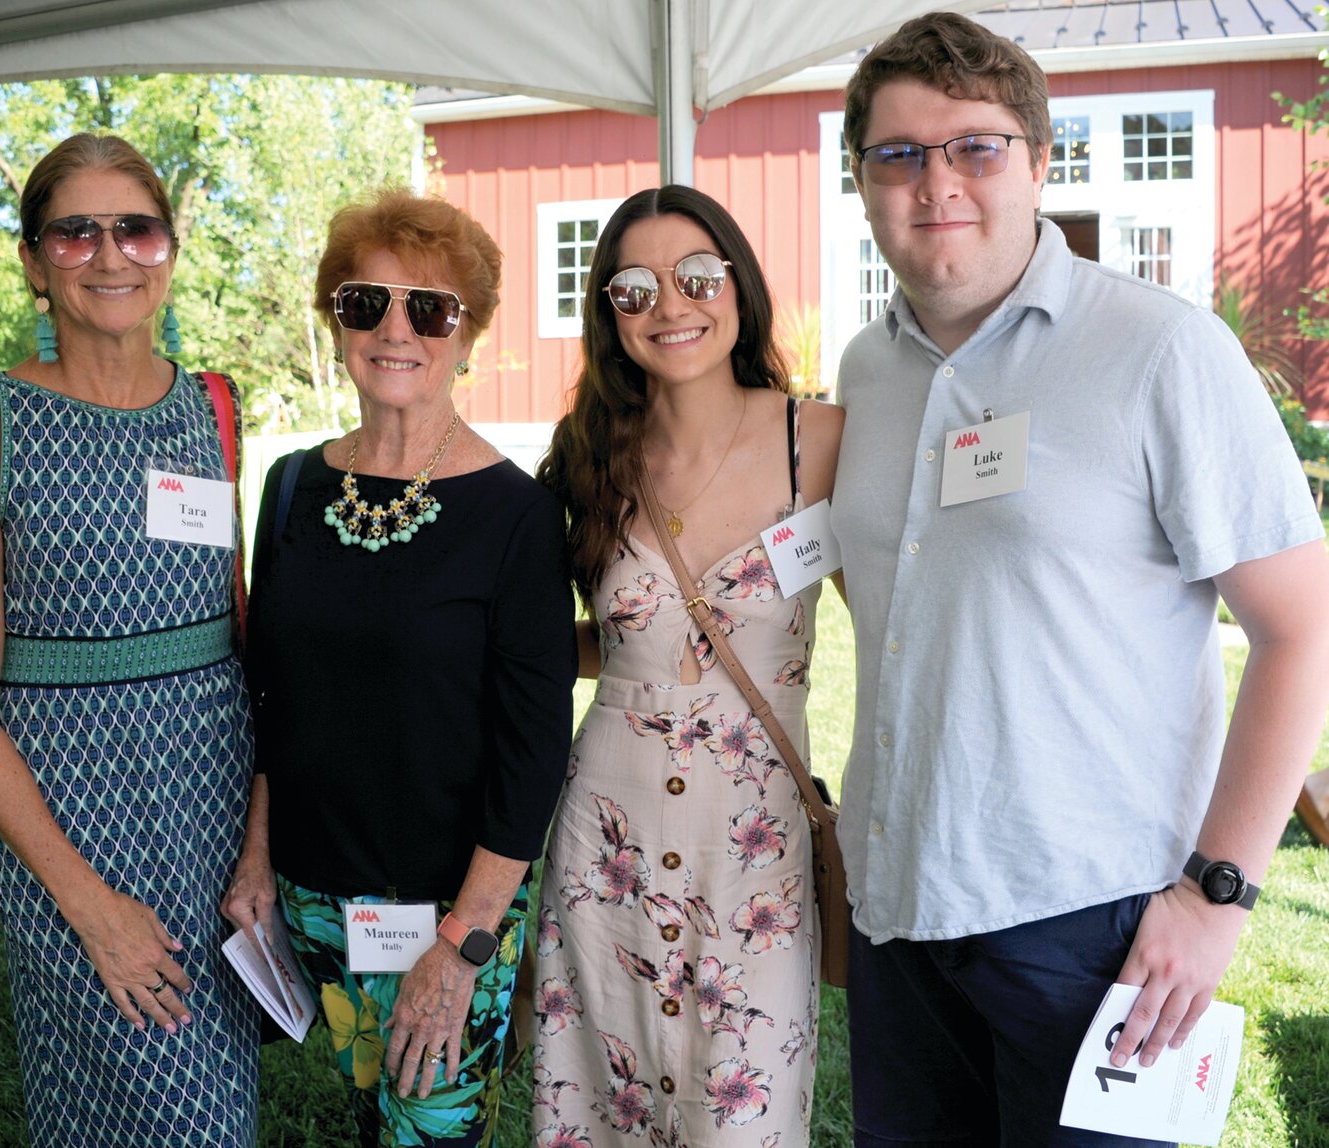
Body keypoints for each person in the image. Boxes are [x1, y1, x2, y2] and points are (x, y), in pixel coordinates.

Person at [831, 13, 1329, 1146]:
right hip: (899, 904)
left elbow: (1305, 629)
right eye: (898, 154)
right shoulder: (867, 369)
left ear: (1040, 161)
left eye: (976, 147)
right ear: (861, 179)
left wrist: (1216, 897)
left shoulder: (1159, 350)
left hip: (1095, 929)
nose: (936, 182)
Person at [0, 133, 259, 1146]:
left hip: (214, 810)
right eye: (75, 232)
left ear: (169, 249)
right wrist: (89, 902)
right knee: (141, 1093)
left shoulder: (213, 406)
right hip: (68, 821)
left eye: (135, 228)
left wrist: (261, 841)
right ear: (33, 261)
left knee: (218, 1094)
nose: (110, 255)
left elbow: (246, 637)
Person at [220, 186, 577, 1148]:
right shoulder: (291, 484)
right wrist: (257, 856)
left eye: (430, 307)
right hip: (312, 894)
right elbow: (270, 697)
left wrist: (465, 945)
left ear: (468, 335)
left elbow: (533, 750)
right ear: (336, 320)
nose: (396, 329)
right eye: (364, 302)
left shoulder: (518, 515)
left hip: (449, 911)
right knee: (369, 1115)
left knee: (429, 1131)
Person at [533, 185, 845, 1146]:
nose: (670, 305)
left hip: (753, 851)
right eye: (634, 288)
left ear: (738, 288)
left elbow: (898, 630)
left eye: (696, 276)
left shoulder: (819, 443)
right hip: (605, 849)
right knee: (600, 1107)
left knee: (739, 1117)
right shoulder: (589, 457)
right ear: (609, 313)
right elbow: (571, 640)